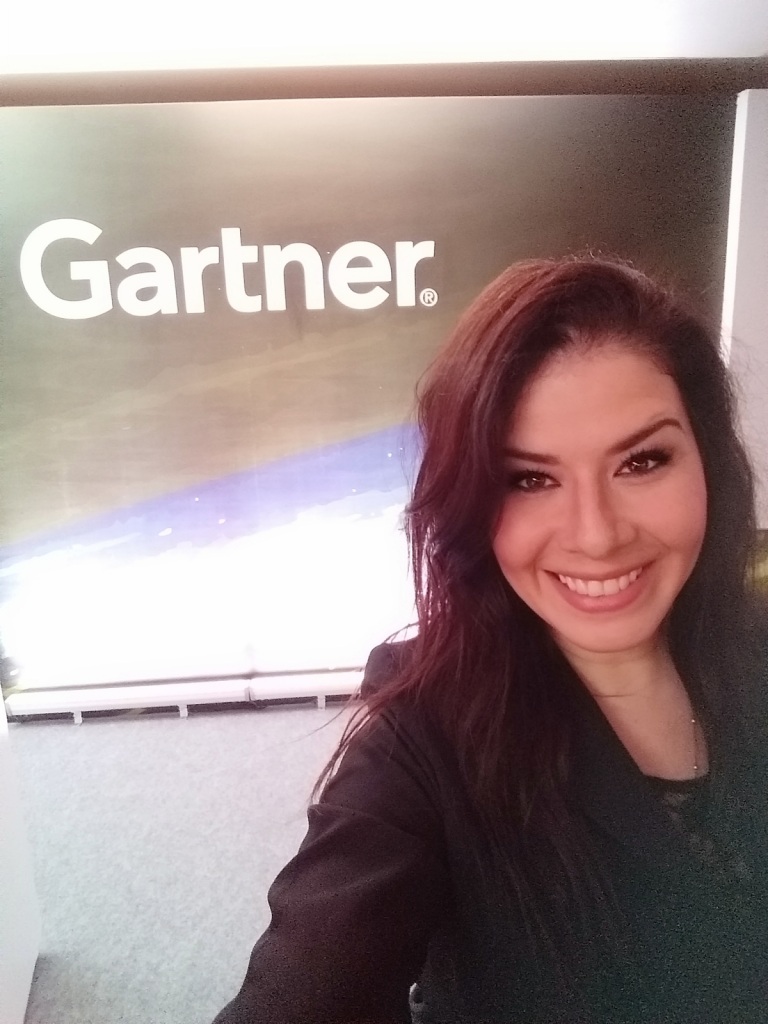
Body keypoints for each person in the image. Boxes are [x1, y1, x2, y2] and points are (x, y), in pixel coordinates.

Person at [211, 256, 768, 1023]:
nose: (597, 535)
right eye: (530, 479)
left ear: (707, 460)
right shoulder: (419, 744)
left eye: (642, 461)